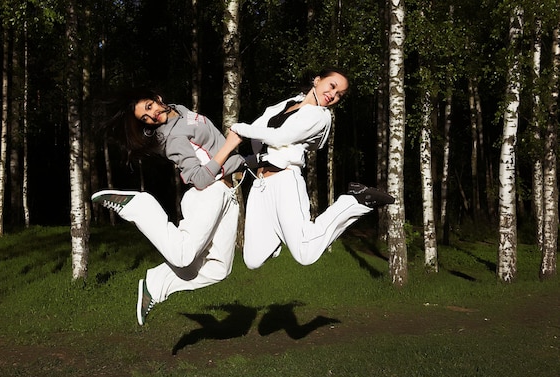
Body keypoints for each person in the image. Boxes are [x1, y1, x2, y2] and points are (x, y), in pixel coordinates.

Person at [92, 87, 244, 325]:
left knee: (219, 269)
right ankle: (140, 206)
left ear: (157, 97)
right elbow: (199, 178)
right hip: (210, 193)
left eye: (150, 107)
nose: (152, 115)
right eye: (145, 117)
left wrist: (254, 162)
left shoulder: (181, 111)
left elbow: (219, 154)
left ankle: (157, 283)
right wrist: (230, 146)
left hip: (228, 193)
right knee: (183, 256)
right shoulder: (172, 138)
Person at [228, 69, 394, 270]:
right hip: (261, 186)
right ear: (317, 80)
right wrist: (243, 161)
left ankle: (355, 200)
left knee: (305, 254)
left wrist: (238, 128)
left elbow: (279, 137)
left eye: (339, 94)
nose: (333, 95)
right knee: (252, 260)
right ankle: (283, 232)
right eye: (332, 86)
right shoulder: (288, 104)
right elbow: (261, 140)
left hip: (285, 181)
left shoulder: (320, 116)